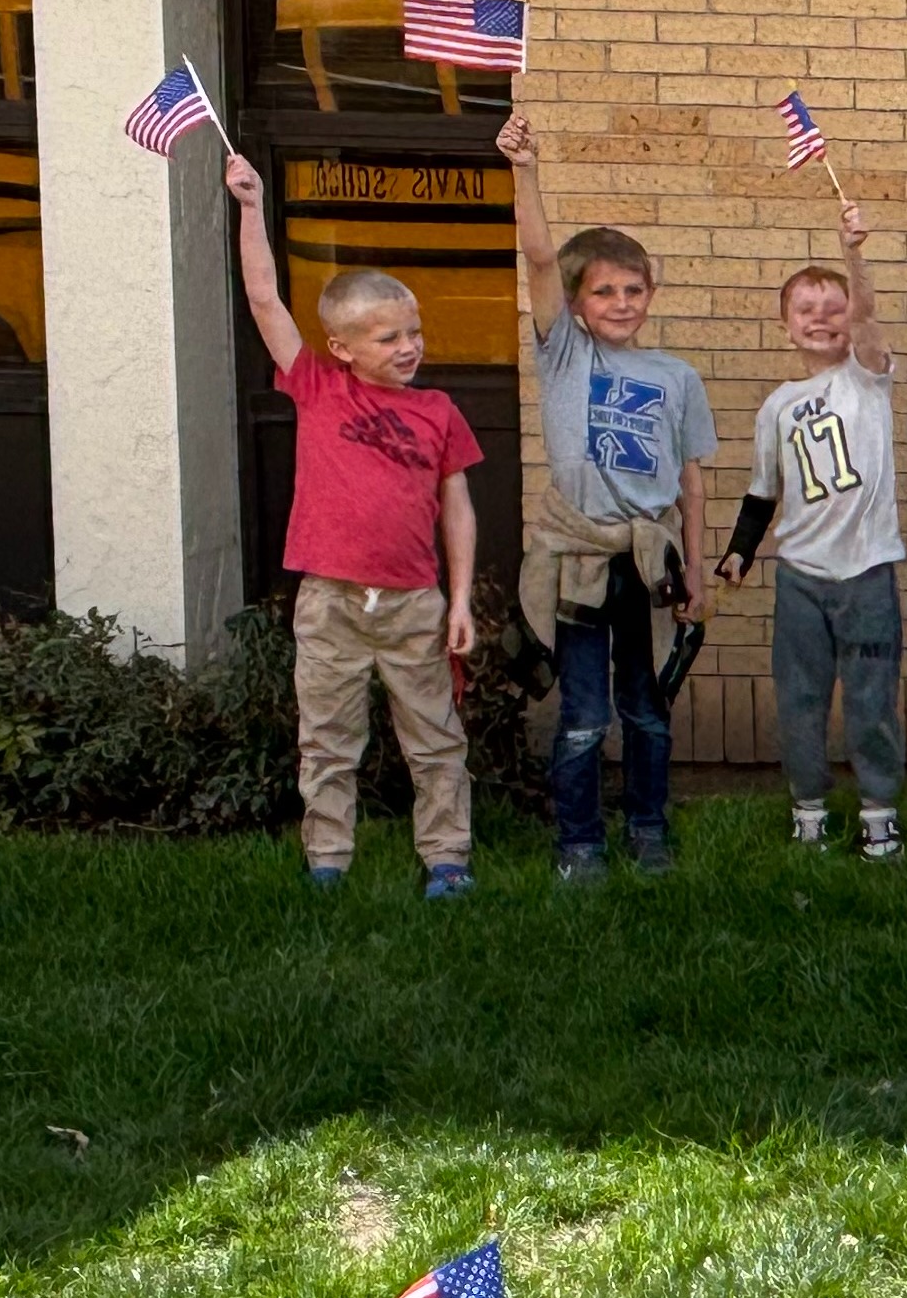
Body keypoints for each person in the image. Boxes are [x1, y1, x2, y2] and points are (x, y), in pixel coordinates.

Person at [223, 154, 483, 900]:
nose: (408, 347)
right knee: (329, 740)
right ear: (341, 348)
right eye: (387, 338)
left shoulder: (437, 412)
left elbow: (456, 508)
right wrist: (251, 207)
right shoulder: (317, 387)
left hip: (413, 602)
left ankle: (448, 860)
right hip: (331, 599)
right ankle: (328, 862)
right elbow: (265, 298)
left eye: (413, 332)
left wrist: (459, 599)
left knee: (435, 740)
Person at [502, 112, 715, 884]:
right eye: (604, 290)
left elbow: (692, 481)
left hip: (649, 559)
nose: (621, 302)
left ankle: (649, 830)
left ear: (651, 292)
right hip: (582, 559)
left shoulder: (676, 376)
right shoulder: (564, 353)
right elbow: (535, 256)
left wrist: (694, 570)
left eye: (634, 288)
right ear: (578, 301)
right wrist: (527, 168)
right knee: (585, 715)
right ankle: (580, 843)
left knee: (647, 707)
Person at [714, 196, 906, 861]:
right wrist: (739, 553)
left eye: (835, 306)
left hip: (868, 571)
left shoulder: (868, 377)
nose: (823, 318)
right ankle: (810, 809)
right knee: (799, 701)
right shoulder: (777, 407)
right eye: (807, 309)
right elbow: (762, 493)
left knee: (871, 701)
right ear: (785, 325)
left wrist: (854, 253)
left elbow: (871, 319)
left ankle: (880, 812)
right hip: (801, 577)